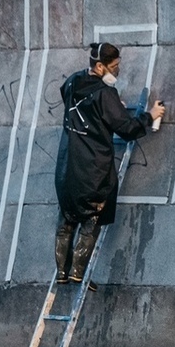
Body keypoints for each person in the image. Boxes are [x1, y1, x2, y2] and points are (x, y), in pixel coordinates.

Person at [54, 42, 164, 285]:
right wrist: (149, 116)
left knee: (67, 216)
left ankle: (62, 272)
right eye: (114, 67)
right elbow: (126, 128)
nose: (117, 71)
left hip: (67, 164)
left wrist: (106, 112)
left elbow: (68, 98)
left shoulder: (73, 81)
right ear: (100, 66)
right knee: (92, 216)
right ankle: (77, 273)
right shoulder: (105, 94)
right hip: (92, 168)